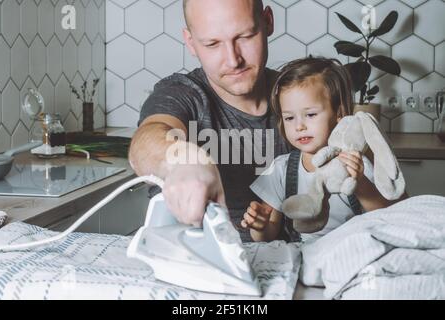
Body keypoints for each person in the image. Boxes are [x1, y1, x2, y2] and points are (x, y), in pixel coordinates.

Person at [128, 0, 291, 241]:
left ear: (268, 22)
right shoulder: (182, 94)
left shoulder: (299, 93)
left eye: (245, 36)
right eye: (212, 44)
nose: (233, 60)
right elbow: (146, 141)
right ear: (191, 42)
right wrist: (185, 161)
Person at [241, 57, 407, 243]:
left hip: (355, 251)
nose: (299, 126)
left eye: (310, 115)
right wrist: (260, 227)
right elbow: (267, 236)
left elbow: (392, 218)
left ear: (339, 113)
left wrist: (360, 184)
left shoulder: (358, 162)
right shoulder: (281, 169)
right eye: (289, 118)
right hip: (307, 258)